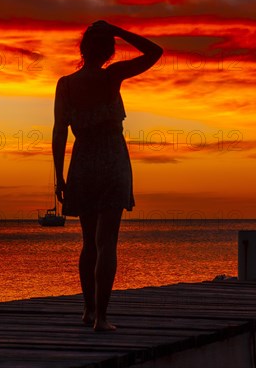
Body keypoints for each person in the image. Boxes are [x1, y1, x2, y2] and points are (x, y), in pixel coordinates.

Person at [52, 21, 163, 331]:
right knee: (107, 244)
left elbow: (60, 131)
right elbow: (155, 52)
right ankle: (101, 317)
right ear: (110, 51)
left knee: (90, 243)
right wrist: (120, 30)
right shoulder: (113, 75)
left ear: (82, 50)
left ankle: (89, 311)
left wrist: (58, 176)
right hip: (113, 161)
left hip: (84, 162)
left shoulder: (67, 84)